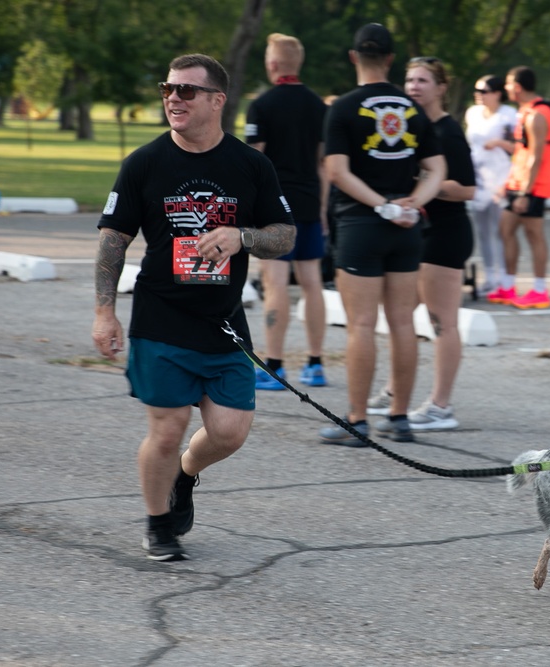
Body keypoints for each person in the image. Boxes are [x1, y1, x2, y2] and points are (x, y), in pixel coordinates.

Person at [92, 54, 296, 561]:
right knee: (165, 430)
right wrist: (104, 311)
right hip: (160, 319)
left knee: (229, 432)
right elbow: (113, 240)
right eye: (167, 89)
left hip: (223, 322)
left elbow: (284, 235)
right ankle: (158, 523)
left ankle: (184, 476)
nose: (173, 98)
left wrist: (240, 236)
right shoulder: (144, 163)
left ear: (216, 100)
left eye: (186, 90)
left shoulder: (251, 166)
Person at [318, 24, 446, 445]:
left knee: (361, 324)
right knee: (402, 324)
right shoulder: (412, 108)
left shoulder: (343, 107)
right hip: (405, 228)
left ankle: (357, 420)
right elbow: (437, 169)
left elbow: (337, 171)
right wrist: (413, 200)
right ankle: (400, 417)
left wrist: (380, 205)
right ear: (391, 60)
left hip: (361, 224)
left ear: (354, 57)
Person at [367, 57, 475, 431]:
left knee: (442, 322)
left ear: (441, 87)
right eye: (410, 80)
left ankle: (440, 406)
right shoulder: (413, 127)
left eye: (423, 80)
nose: (414, 86)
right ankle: (395, 391)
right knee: (400, 314)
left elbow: (467, 189)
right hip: (418, 235)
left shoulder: (447, 131)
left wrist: (423, 185)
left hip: (446, 237)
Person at [245, 33, 330, 390]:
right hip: (310, 204)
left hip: (275, 208)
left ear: (273, 64)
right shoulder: (320, 106)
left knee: (275, 282)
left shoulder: (261, 106)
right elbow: (324, 163)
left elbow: (255, 162)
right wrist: (324, 210)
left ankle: (275, 367)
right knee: (312, 283)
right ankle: (315, 364)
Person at [487, 66, 550, 309]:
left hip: (534, 185)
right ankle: (508, 286)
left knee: (533, 234)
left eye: (508, 84)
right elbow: (521, 153)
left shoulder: (538, 114)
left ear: (517, 87)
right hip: (517, 182)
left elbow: (537, 157)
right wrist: (510, 184)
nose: (506, 89)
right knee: (505, 229)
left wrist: (525, 193)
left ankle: (540, 290)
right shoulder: (524, 112)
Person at [464, 75, 516, 295]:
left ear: (497, 93)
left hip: (500, 176)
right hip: (478, 176)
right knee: (483, 231)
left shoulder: (509, 115)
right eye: (477, 91)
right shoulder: (473, 113)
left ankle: (504, 279)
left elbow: (518, 147)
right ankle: (490, 277)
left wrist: (498, 143)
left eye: (484, 91)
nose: (479, 95)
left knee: (501, 230)